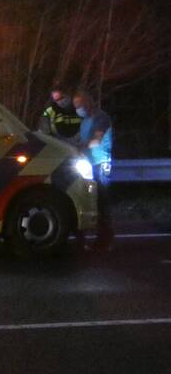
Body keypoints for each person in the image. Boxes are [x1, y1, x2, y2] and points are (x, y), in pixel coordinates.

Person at [73, 88, 114, 251]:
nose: (78, 108)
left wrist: (80, 147)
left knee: (101, 202)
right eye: (76, 105)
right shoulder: (85, 121)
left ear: (87, 102)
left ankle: (105, 241)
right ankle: (86, 240)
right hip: (88, 164)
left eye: (79, 104)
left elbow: (96, 140)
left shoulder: (101, 117)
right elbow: (78, 138)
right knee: (88, 201)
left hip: (100, 164)